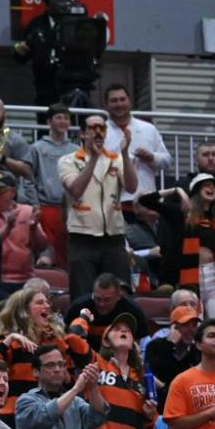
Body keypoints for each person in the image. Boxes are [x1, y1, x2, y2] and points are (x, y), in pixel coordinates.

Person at [59, 113, 137, 300]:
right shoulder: (68, 161)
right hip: (82, 237)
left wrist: (125, 154)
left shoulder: (116, 159)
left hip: (113, 237)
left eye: (102, 128)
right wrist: (93, 159)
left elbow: (132, 187)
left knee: (120, 295)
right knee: (84, 295)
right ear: (83, 134)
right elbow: (75, 190)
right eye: (93, 128)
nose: (98, 133)